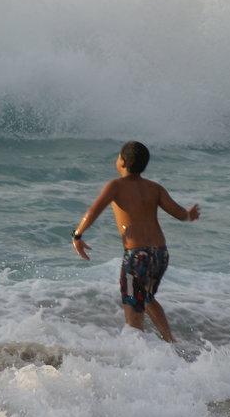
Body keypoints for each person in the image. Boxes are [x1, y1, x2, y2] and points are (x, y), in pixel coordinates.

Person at [71, 141, 200, 342]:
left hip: (137, 256)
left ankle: (135, 354)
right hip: (159, 254)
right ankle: (171, 342)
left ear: (122, 162)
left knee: (133, 304)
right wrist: (190, 215)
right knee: (146, 297)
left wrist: (77, 235)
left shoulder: (115, 186)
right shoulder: (155, 188)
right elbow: (180, 214)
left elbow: (93, 211)